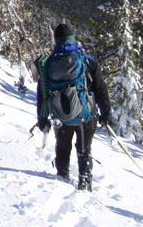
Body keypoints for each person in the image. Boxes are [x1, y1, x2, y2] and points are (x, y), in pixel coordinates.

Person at [36, 23, 112, 191]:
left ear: (56, 41)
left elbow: (42, 93)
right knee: (84, 149)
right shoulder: (86, 60)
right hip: (86, 115)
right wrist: (106, 112)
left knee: (63, 147)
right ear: (72, 39)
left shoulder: (48, 64)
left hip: (61, 117)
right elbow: (100, 88)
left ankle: (62, 179)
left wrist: (42, 119)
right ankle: (85, 184)